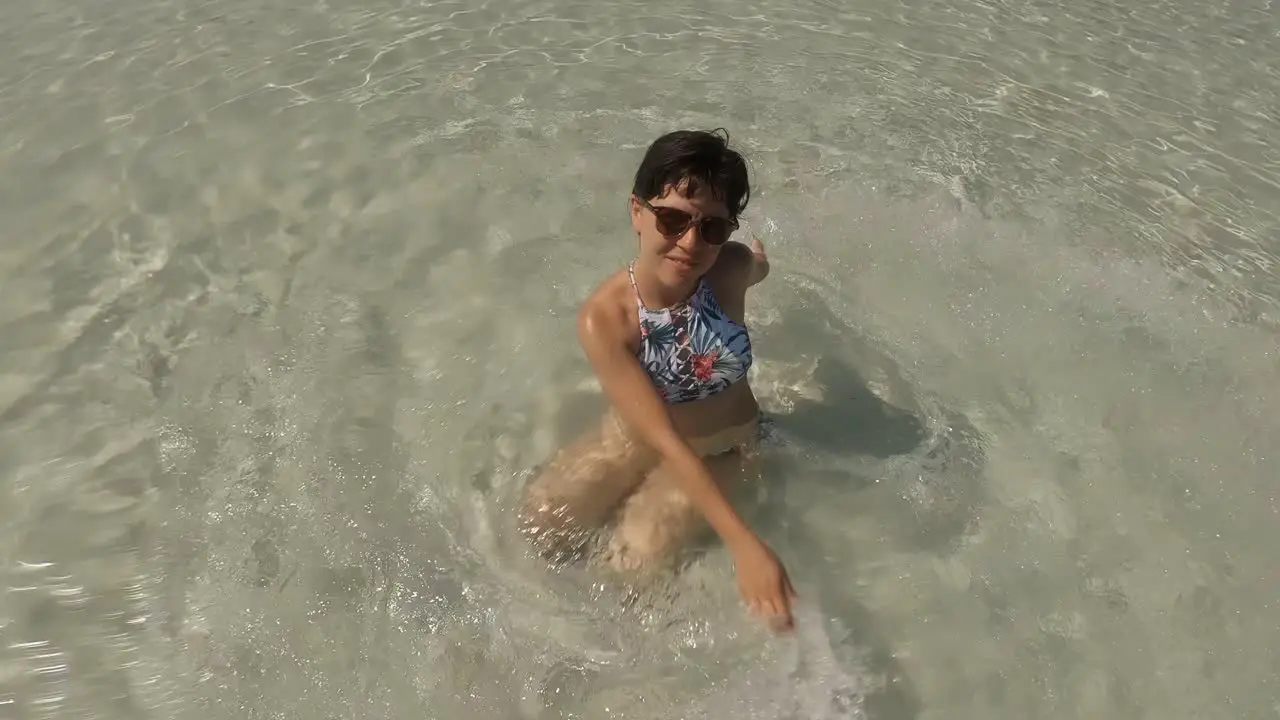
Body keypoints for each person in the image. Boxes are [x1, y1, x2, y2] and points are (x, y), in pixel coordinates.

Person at [519, 128, 796, 630]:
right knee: (541, 520)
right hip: (640, 437)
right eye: (672, 218)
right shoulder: (605, 320)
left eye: (712, 228)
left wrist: (746, 546)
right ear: (636, 212)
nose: (691, 242)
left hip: (726, 449)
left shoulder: (729, 268)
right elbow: (661, 437)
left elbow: (756, 266)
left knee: (633, 563)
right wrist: (743, 543)